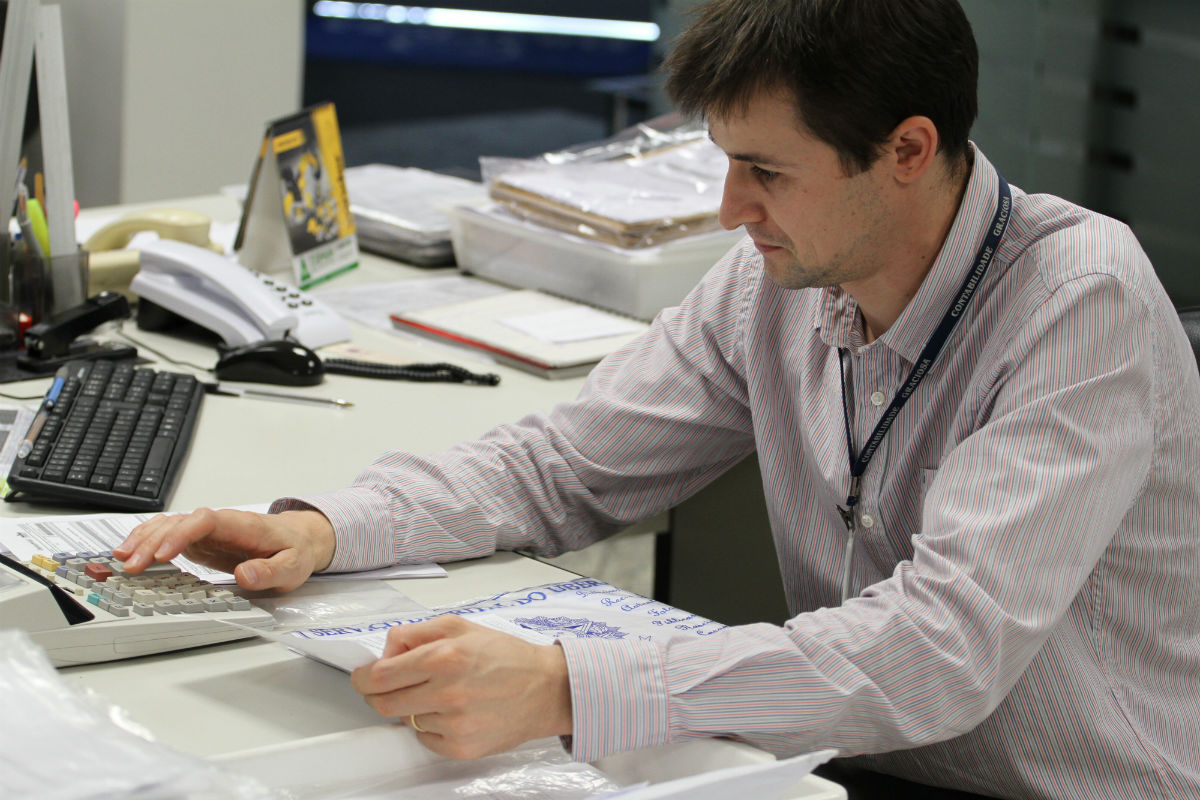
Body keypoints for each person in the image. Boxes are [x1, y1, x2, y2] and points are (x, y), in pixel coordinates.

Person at [116, 1, 1200, 797]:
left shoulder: (1077, 304)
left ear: (908, 150)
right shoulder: (779, 277)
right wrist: (322, 525)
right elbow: (568, 463)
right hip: (838, 761)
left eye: (765, 172)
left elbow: (939, 652)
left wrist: (566, 684)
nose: (732, 210)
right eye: (724, 163)